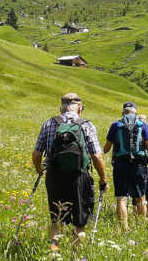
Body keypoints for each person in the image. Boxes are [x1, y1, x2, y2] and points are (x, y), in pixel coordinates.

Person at [32, 93, 107, 251]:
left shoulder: (49, 123)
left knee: (56, 219)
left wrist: (40, 169)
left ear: (61, 108)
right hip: (79, 176)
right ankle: (76, 258)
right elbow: (96, 156)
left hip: (54, 176)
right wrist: (103, 178)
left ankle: (54, 254)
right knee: (79, 220)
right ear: (80, 108)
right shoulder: (86, 124)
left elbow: (37, 154)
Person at [104, 101, 148, 232]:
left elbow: (106, 149)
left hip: (120, 164)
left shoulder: (115, 125)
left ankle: (124, 228)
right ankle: (141, 227)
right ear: (136, 112)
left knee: (121, 198)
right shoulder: (142, 125)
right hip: (138, 165)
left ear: (123, 112)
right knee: (140, 197)